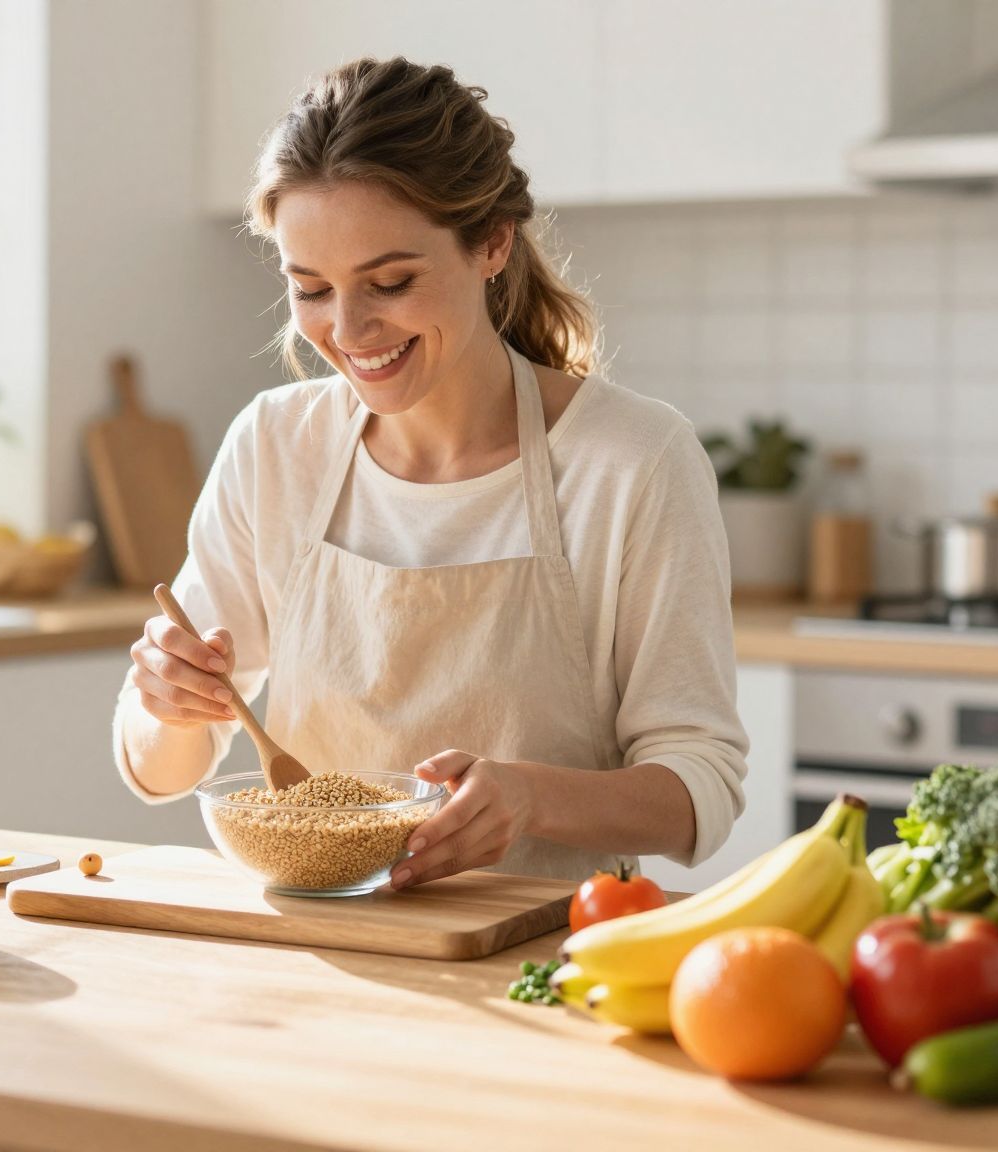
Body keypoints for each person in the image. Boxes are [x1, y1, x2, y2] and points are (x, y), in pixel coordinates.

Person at [111, 56, 747, 888]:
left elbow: (701, 791)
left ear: (491, 243)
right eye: (310, 288)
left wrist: (531, 799)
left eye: (392, 281)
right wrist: (167, 705)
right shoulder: (275, 446)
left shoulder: (632, 459)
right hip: (316, 951)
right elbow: (162, 774)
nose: (349, 329)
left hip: (543, 959)